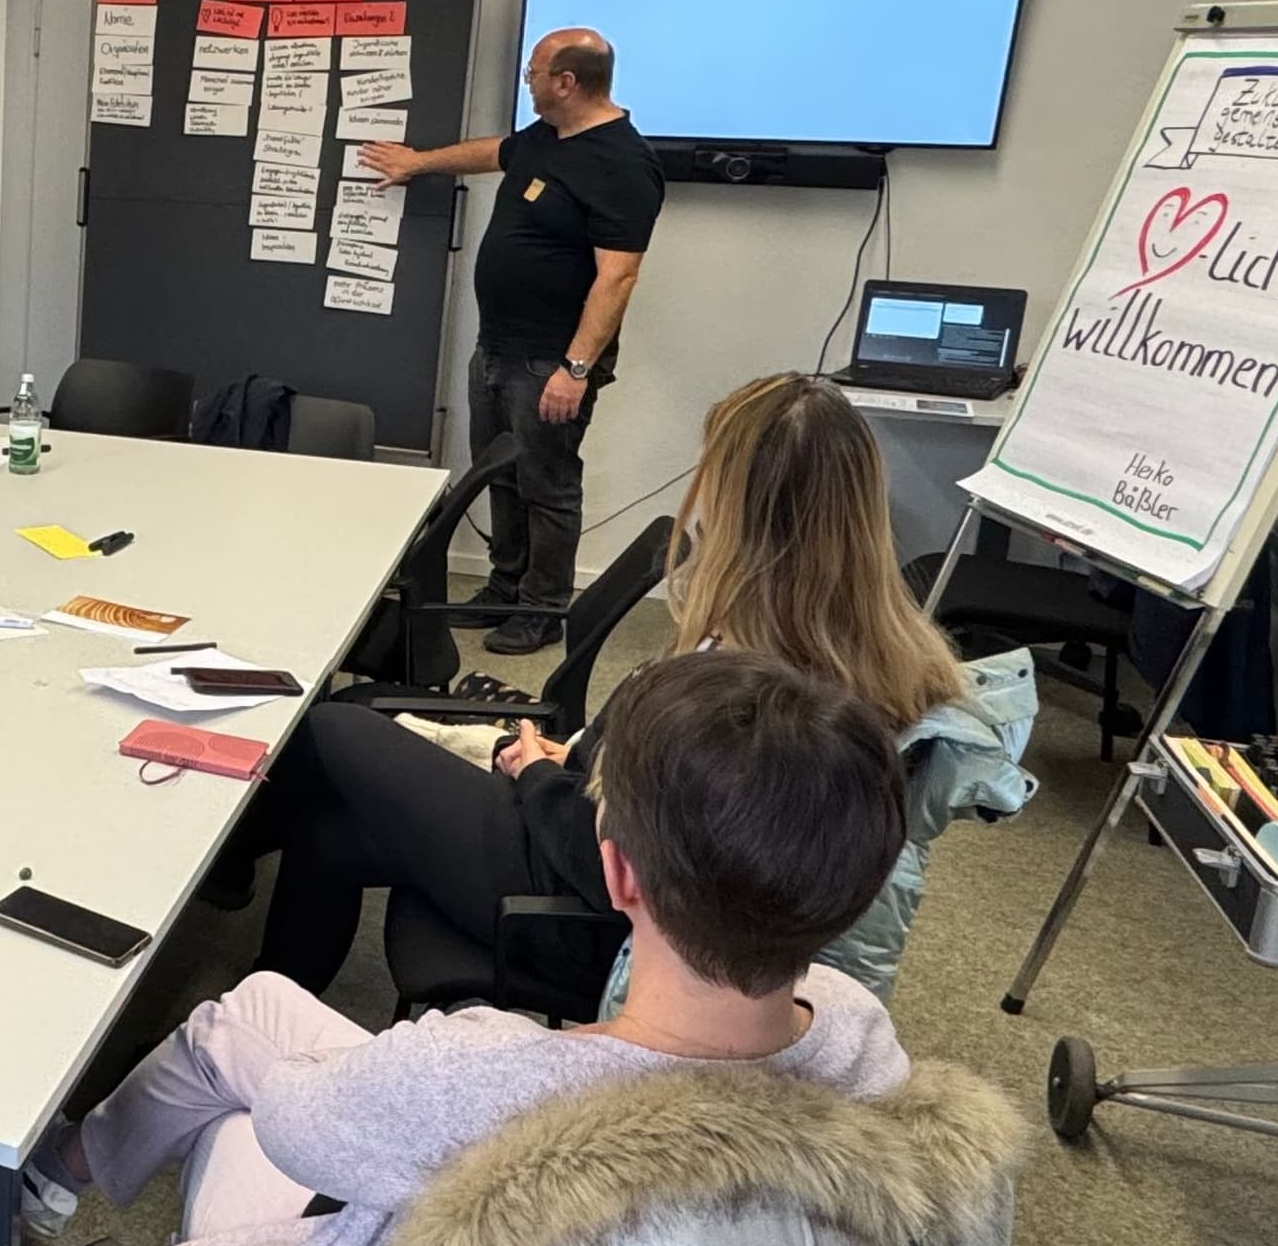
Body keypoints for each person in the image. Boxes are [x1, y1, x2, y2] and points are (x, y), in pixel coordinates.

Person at [23, 651, 916, 1246]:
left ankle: (56, 1172)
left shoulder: (482, 1074)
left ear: (620, 877)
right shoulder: (860, 1041)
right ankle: (69, 1160)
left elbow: (298, 1124)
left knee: (235, 1057)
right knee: (255, 1014)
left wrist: (415, 1063)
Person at [221, 369, 1008, 1009]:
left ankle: (222, 856)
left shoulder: (746, 678)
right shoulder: (882, 649)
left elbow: (621, 853)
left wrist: (536, 776)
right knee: (329, 825)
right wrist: (578, 760)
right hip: (617, 864)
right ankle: (263, 1004)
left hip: (603, 916)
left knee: (335, 725)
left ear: (733, 500)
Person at [359, 26, 661, 653]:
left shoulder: (623, 162)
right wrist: (419, 163)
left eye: (533, 73)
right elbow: (495, 152)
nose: (526, 81)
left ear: (566, 83)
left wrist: (575, 369)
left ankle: (543, 609)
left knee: (547, 483)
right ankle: (504, 586)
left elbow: (619, 274)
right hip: (497, 346)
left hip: (552, 359)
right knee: (500, 472)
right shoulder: (548, 138)